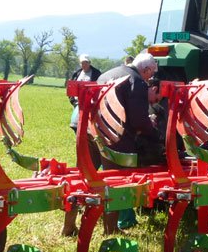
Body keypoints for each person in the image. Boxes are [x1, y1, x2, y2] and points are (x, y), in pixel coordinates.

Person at [95, 52, 164, 232]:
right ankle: (111, 230)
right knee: (118, 183)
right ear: (146, 69)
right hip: (114, 138)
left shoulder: (105, 74)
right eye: (152, 72)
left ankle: (69, 227)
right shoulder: (137, 81)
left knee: (85, 179)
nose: (151, 77)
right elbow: (139, 120)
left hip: (91, 132)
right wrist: (155, 135)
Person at [62, 54, 102, 236]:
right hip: (83, 118)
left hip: (83, 118)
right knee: (87, 165)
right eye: (82, 63)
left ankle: (69, 225)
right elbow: (69, 91)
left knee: (84, 165)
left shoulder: (97, 74)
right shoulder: (77, 74)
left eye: (85, 62)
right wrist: (75, 103)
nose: (83, 65)